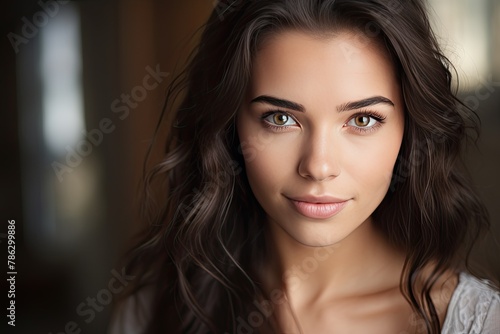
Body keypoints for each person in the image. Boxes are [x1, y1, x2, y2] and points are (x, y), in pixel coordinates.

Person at [110, 0, 500, 333]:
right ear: (229, 129)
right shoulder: (153, 314)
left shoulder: (481, 322)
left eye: (362, 120)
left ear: (409, 131)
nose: (318, 166)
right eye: (280, 118)